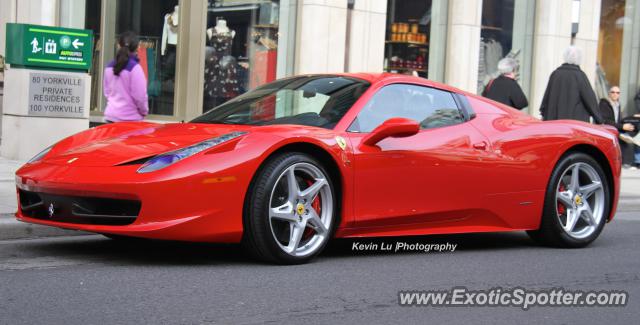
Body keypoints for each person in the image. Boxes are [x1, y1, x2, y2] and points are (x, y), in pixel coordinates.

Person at [539, 46, 603, 124]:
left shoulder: (555, 74)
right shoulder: (580, 76)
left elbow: (546, 99)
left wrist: (544, 114)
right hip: (574, 125)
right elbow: (590, 100)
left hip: (554, 123)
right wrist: (599, 119)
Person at [103, 31, 149, 122]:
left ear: (118, 45)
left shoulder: (109, 67)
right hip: (130, 120)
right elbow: (140, 96)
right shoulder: (135, 68)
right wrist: (144, 111)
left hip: (110, 117)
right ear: (137, 48)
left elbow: (107, 93)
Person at [599, 86, 636, 168]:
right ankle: (625, 163)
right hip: (606, 130)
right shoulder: (604, 103)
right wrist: (622, 126)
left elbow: (617, 121)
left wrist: (630, 120)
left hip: (615, 129)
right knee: (623, 141)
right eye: (613, 92)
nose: (615, 94)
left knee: (630, 136)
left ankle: (629, 163)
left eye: (617, 93)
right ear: (609, 93)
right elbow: (606, 121)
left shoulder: (617, 105)